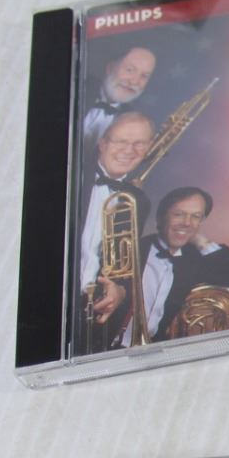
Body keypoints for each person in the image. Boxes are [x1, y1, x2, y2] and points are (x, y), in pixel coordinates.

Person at [93, 186, 229, 345]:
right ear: (160, 217)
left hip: (152, 348)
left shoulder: (192, 260)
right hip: (105, 346)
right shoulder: (129, 249)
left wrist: (202, 242)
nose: (187, 223)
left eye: (196, 217)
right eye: (178, 214)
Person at [76, 110, 154, 346]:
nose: (129, 150)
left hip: (93, 310)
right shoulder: (73, 178)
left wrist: (121, 290)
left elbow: (126, 263)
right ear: (102, 144)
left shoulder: (138, 200)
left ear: (148, 149)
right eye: (121, 141)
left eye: (139, 144)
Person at [81, 45, 155, 144]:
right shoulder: (79, 85)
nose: (134, 82)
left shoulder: (133, 122)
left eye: (144, 76)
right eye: (129, 70)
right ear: (110, 68)